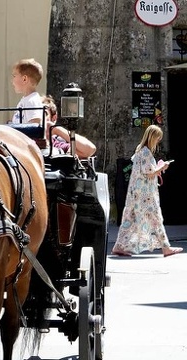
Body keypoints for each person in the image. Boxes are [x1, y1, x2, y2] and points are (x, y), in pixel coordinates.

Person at [111, 125, 182, 257]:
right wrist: (163, 167)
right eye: (157, 138)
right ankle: (166, 248)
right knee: (155, 218)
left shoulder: (140, 151)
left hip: (136, 193)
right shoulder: (146, 153)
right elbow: (149, 173)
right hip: (145, 194)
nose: (158, 141)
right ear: (152, 137)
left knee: (130, 218)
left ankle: (119, 246)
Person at [42, 95, 97, 159]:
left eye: (44, 113)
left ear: (54, 118)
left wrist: (56, 129)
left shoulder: (57, 145)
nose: (38, 118)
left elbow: (90, 149)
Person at [9, 58, 45, 125]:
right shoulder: (26, 100)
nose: (12, 80)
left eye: (14, 76)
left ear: (24, 79)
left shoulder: (32, 101)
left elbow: (35, 125)